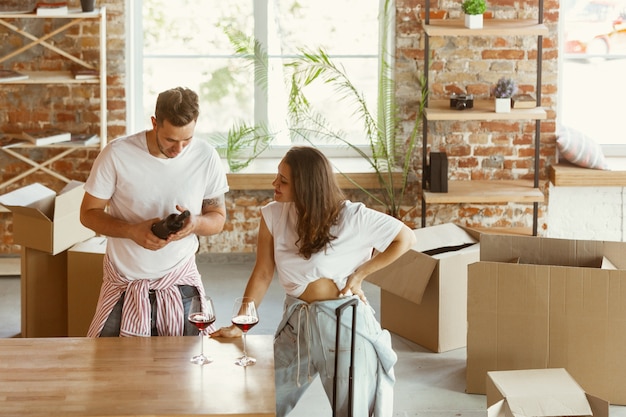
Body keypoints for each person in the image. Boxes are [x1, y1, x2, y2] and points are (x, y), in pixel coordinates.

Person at [212, 146, 416, 416]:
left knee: (355, 410)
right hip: (296, 324)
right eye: (277, 176)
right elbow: (262, 272)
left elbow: (406, 238)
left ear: (307, 186)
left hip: (343, 326)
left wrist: (360, 274)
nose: (275, 184)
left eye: (284, 181)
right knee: (261, 400)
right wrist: (241, 322)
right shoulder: (273, 215)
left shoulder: (352, 216)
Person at [80, 86, 229, 337]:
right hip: (124, 285)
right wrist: (131, 231)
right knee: (107, 369)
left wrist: (196, 223)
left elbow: (218, 218)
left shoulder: (206, 156)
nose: (179, 149)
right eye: (171, 139)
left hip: (181, 283)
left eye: (187, 139)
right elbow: (88, 213)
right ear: (154, 123)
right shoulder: (117, 154)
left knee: (190, 370)